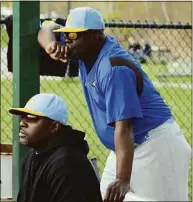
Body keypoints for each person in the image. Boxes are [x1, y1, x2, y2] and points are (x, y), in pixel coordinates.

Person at [38, 7, 191, 202]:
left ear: (95, 36)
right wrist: (52, 45)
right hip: (129, 146)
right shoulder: (85, 50)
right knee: (106, 195)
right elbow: (47, 27)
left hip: (154, 144)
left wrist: (122, 179)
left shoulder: (113, 67)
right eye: (66, 34)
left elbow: (124, 126)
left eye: (74, 35)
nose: (67, 40)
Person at [9, 93, 103, 202]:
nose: (22, 123)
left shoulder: (68, 163)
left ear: (54, 127)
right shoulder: (33, 155)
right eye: (23, 116)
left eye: (31, 117)